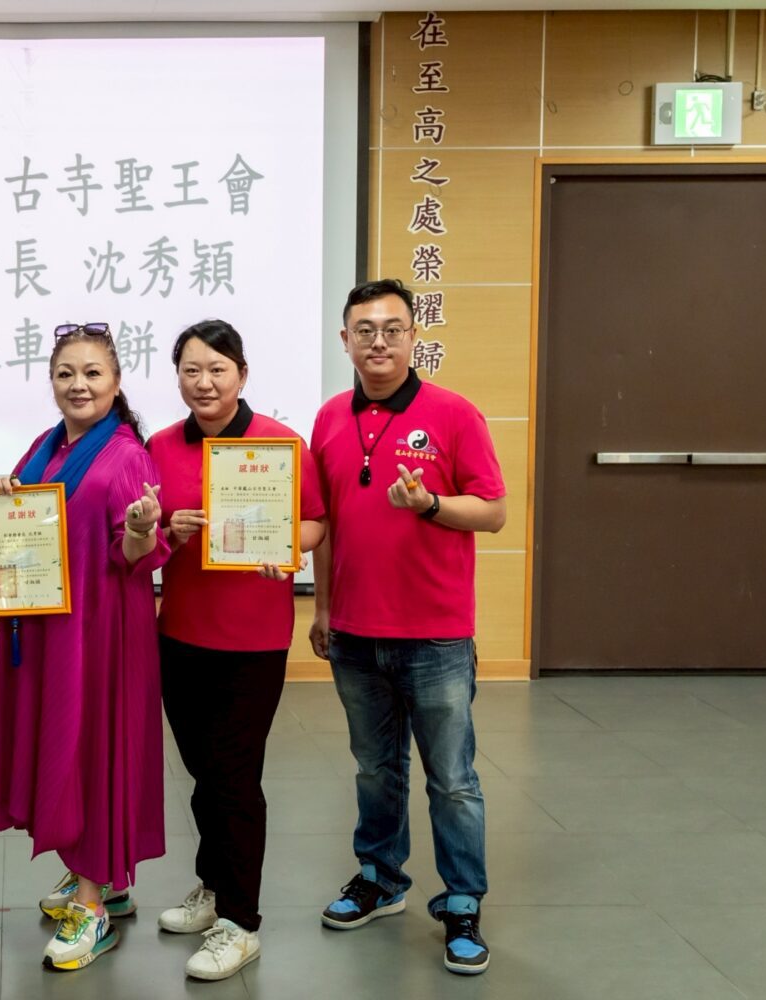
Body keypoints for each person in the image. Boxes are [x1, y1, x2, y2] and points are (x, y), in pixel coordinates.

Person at [308, 279, 506, 975]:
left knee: (451, 778)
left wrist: (429, 506)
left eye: (393, 328)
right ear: (345, 341)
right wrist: (324, 607)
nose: (379, 342)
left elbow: (493, 512)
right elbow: (326, 521)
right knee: (374, 769)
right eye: (365, 330)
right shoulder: (330, 417)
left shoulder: (454, 414)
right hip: (355, 633)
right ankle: (381, 878)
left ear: (413, 336)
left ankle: (461, 903)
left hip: (436, 636)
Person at [0, 322, 170, 973]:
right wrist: (7, 495)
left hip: (101, 640)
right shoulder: (47, 444)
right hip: (44, 631)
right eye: (66, 373)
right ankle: (94, 873)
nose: (78, 384)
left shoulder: (126, 456)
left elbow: (135, 549)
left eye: (91, 373)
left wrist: (143, 527)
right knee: (59, 749)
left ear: (116, 381)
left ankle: (92, 899)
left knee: (92, 754)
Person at [142, 319, 327, 981]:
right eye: (191, 370)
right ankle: (213, 887)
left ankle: (240, 923)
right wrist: (169, 528)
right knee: (201, 773)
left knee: (235, 777)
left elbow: (314, 520)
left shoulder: (281, 444)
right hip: (180, 633)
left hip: (252, 640)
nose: (205, 382)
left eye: (217, 369)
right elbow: (141, 527)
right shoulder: (159, 445)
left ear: (242, 374)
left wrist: (289, 548)